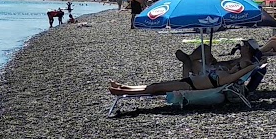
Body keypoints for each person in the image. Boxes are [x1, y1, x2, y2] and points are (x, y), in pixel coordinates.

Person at [109, 60, 259, 97]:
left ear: (239, 70)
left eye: (237, 65)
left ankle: (124, 92)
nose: (234, 65)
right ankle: (125, 87)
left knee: (156, 88)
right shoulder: (226, 73)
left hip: (189, 87)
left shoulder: (228, 78)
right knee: (156, 85)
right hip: (188, 82)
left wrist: (254, 65)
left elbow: (243, 71)